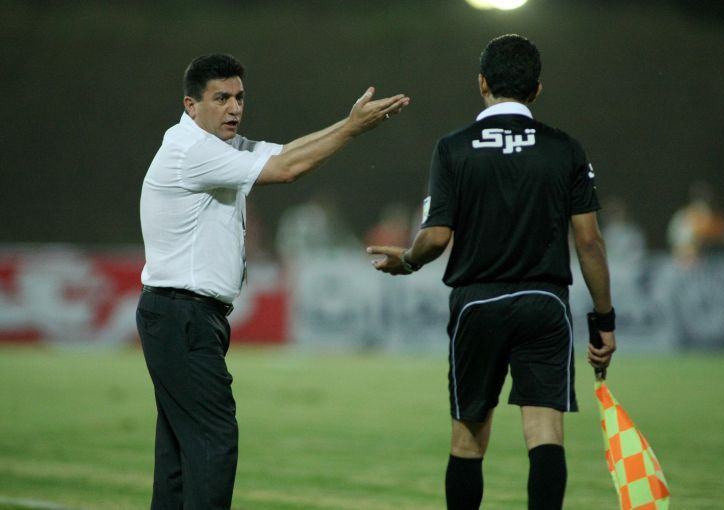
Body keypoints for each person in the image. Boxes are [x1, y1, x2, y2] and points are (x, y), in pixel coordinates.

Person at [136, 53, 409, 509]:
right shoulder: (194, 151)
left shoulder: (210, 145)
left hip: (180, 316)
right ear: (190, 105)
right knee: (213, 441)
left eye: (239, 97)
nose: (234, 108)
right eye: (221, 98)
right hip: (183, 316)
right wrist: (352, 129)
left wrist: (349, 123)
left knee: (179, 455)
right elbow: (287, 170)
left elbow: (284, 154)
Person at [367, 35, 616, 509]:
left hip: (476, 304)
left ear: (482, 83)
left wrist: (408, 260)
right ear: (536, 89)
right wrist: (603, 320)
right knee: (545, 433)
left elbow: (435, 237)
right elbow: (589, 242)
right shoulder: (565, 149)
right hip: (545, 304)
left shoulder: (453, 148)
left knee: (468, 441)